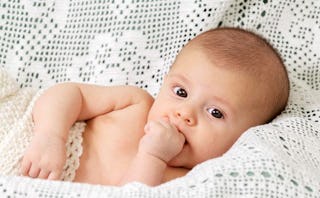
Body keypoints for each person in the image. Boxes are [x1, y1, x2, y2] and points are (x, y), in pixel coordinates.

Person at [20, 27, 290, 186]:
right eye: (181, 92)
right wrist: (51, 136)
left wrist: (153, 158)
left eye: (215, 112)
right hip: (24, 133)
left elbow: (134, 193)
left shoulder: (185, 182)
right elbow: (68, 93)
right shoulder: (135, 104)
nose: (184, 113)